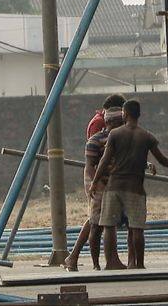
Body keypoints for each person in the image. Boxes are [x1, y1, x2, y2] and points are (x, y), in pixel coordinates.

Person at [90, 100, 168, 270]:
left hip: (114, 186)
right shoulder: (147, 136)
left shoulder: (115, 134)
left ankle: (111, 263)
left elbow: (104, 161)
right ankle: (139, 264)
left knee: (108, 225)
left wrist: (94, 182)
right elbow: (162, 160)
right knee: (136, 228)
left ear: (124, 114)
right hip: (135, 188)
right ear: (139, 115)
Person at [63, 107, 125, 271]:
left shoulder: (122, 138)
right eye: (121, 122)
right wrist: (97, 184)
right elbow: (90, 167)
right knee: (96, 222)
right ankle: (90, 262)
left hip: (112, 182)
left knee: (102, 221)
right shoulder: (96, 139)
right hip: (97, 181)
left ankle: (79, 258)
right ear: (111, 122)